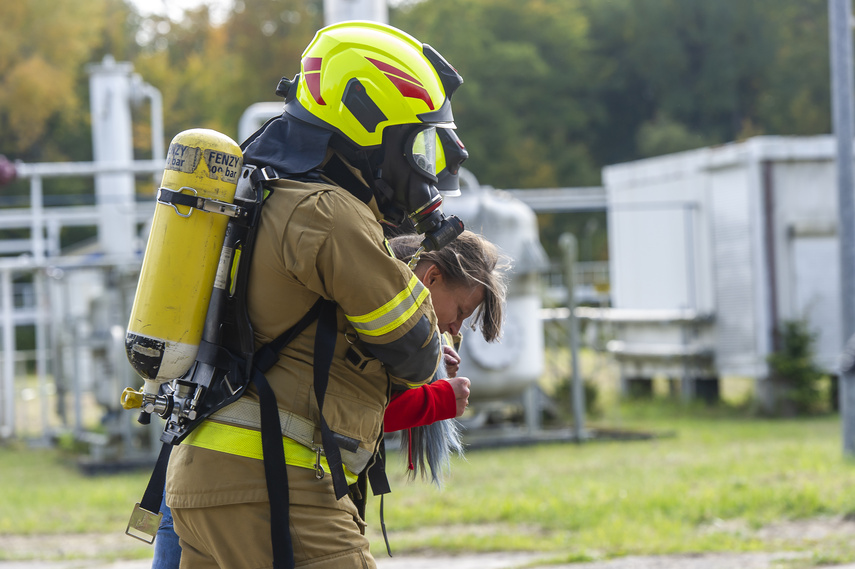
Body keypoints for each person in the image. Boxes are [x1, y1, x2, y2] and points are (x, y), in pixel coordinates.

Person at [164, 21, 469, 569]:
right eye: (417, 143)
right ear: (370, 124)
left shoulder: (266, 191)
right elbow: (417, 350)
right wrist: (412, 273)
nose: (425, 168)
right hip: (276, 486)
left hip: (203, 482)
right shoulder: (330, 215)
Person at [150, 229, 508, 568]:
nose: (455, 328)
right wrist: (435, 398)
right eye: (460, 312)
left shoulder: (347, 290)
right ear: (430, 278)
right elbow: (345, 414)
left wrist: (419, 371)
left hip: (189, 478)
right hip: (265, 483)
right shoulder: (368, 310)